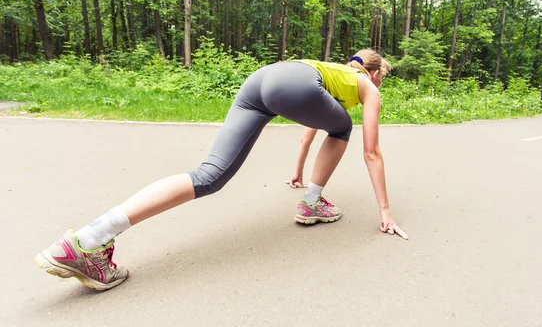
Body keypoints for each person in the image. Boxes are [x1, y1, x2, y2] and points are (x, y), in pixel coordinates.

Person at [35, 48, 408, 291]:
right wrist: (386, 212)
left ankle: (85, 239)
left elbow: (308, 136)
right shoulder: (366, 87)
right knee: (343, 126)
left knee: (209, 175)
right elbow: (371, 152)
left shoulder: (332, 76)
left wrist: (297, 172)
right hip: (293, 85)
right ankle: (312, 203)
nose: (379, 85)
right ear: (375, 74)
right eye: (382, 79)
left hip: (263, 78)